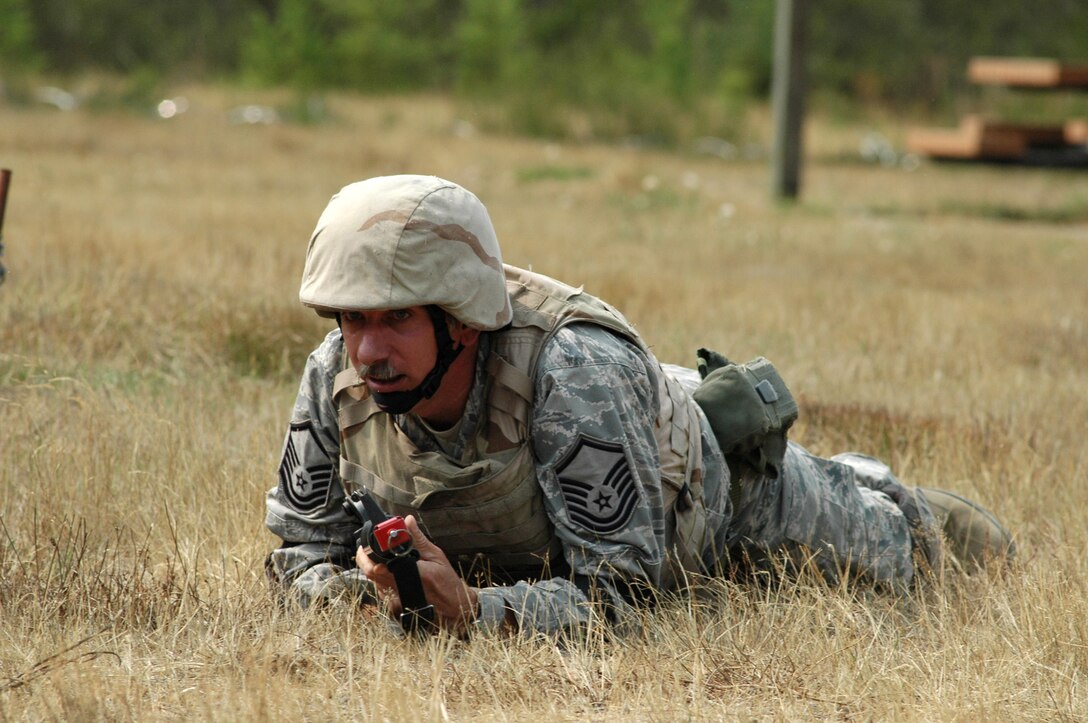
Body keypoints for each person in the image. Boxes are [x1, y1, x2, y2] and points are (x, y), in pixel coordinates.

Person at [265, 174, 1014, 637]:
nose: (367, 351)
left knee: (900, 552)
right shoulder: (335, 377)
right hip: (553, 526)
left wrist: (473, 613)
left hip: (717, 506)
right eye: (353, 319)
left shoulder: (571, 372)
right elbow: (296, 554)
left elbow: (624, 599)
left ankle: (889, 493)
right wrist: (361, 601)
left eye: (395, 319)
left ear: (461, 319)